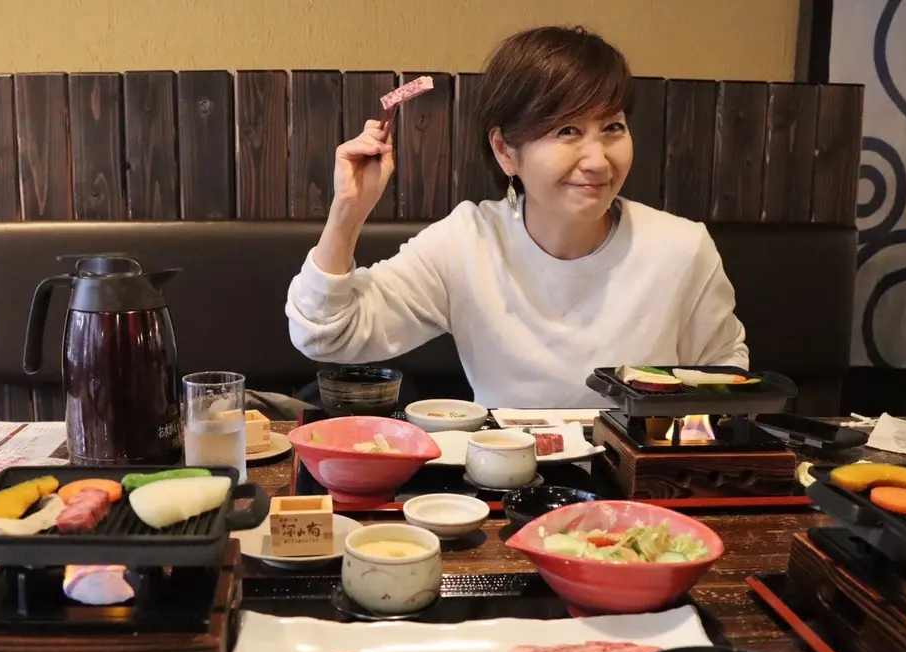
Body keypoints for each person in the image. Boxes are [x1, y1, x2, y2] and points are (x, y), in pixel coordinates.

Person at [285, 25, 748, 408]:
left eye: (612, 128)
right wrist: (347, 212)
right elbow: (327, 335)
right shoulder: (468, 244)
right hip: (506, 487)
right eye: (567, 131)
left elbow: (724, 383)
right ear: (506, 150)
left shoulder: (681, 249)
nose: (597, 160)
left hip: (640, 496)